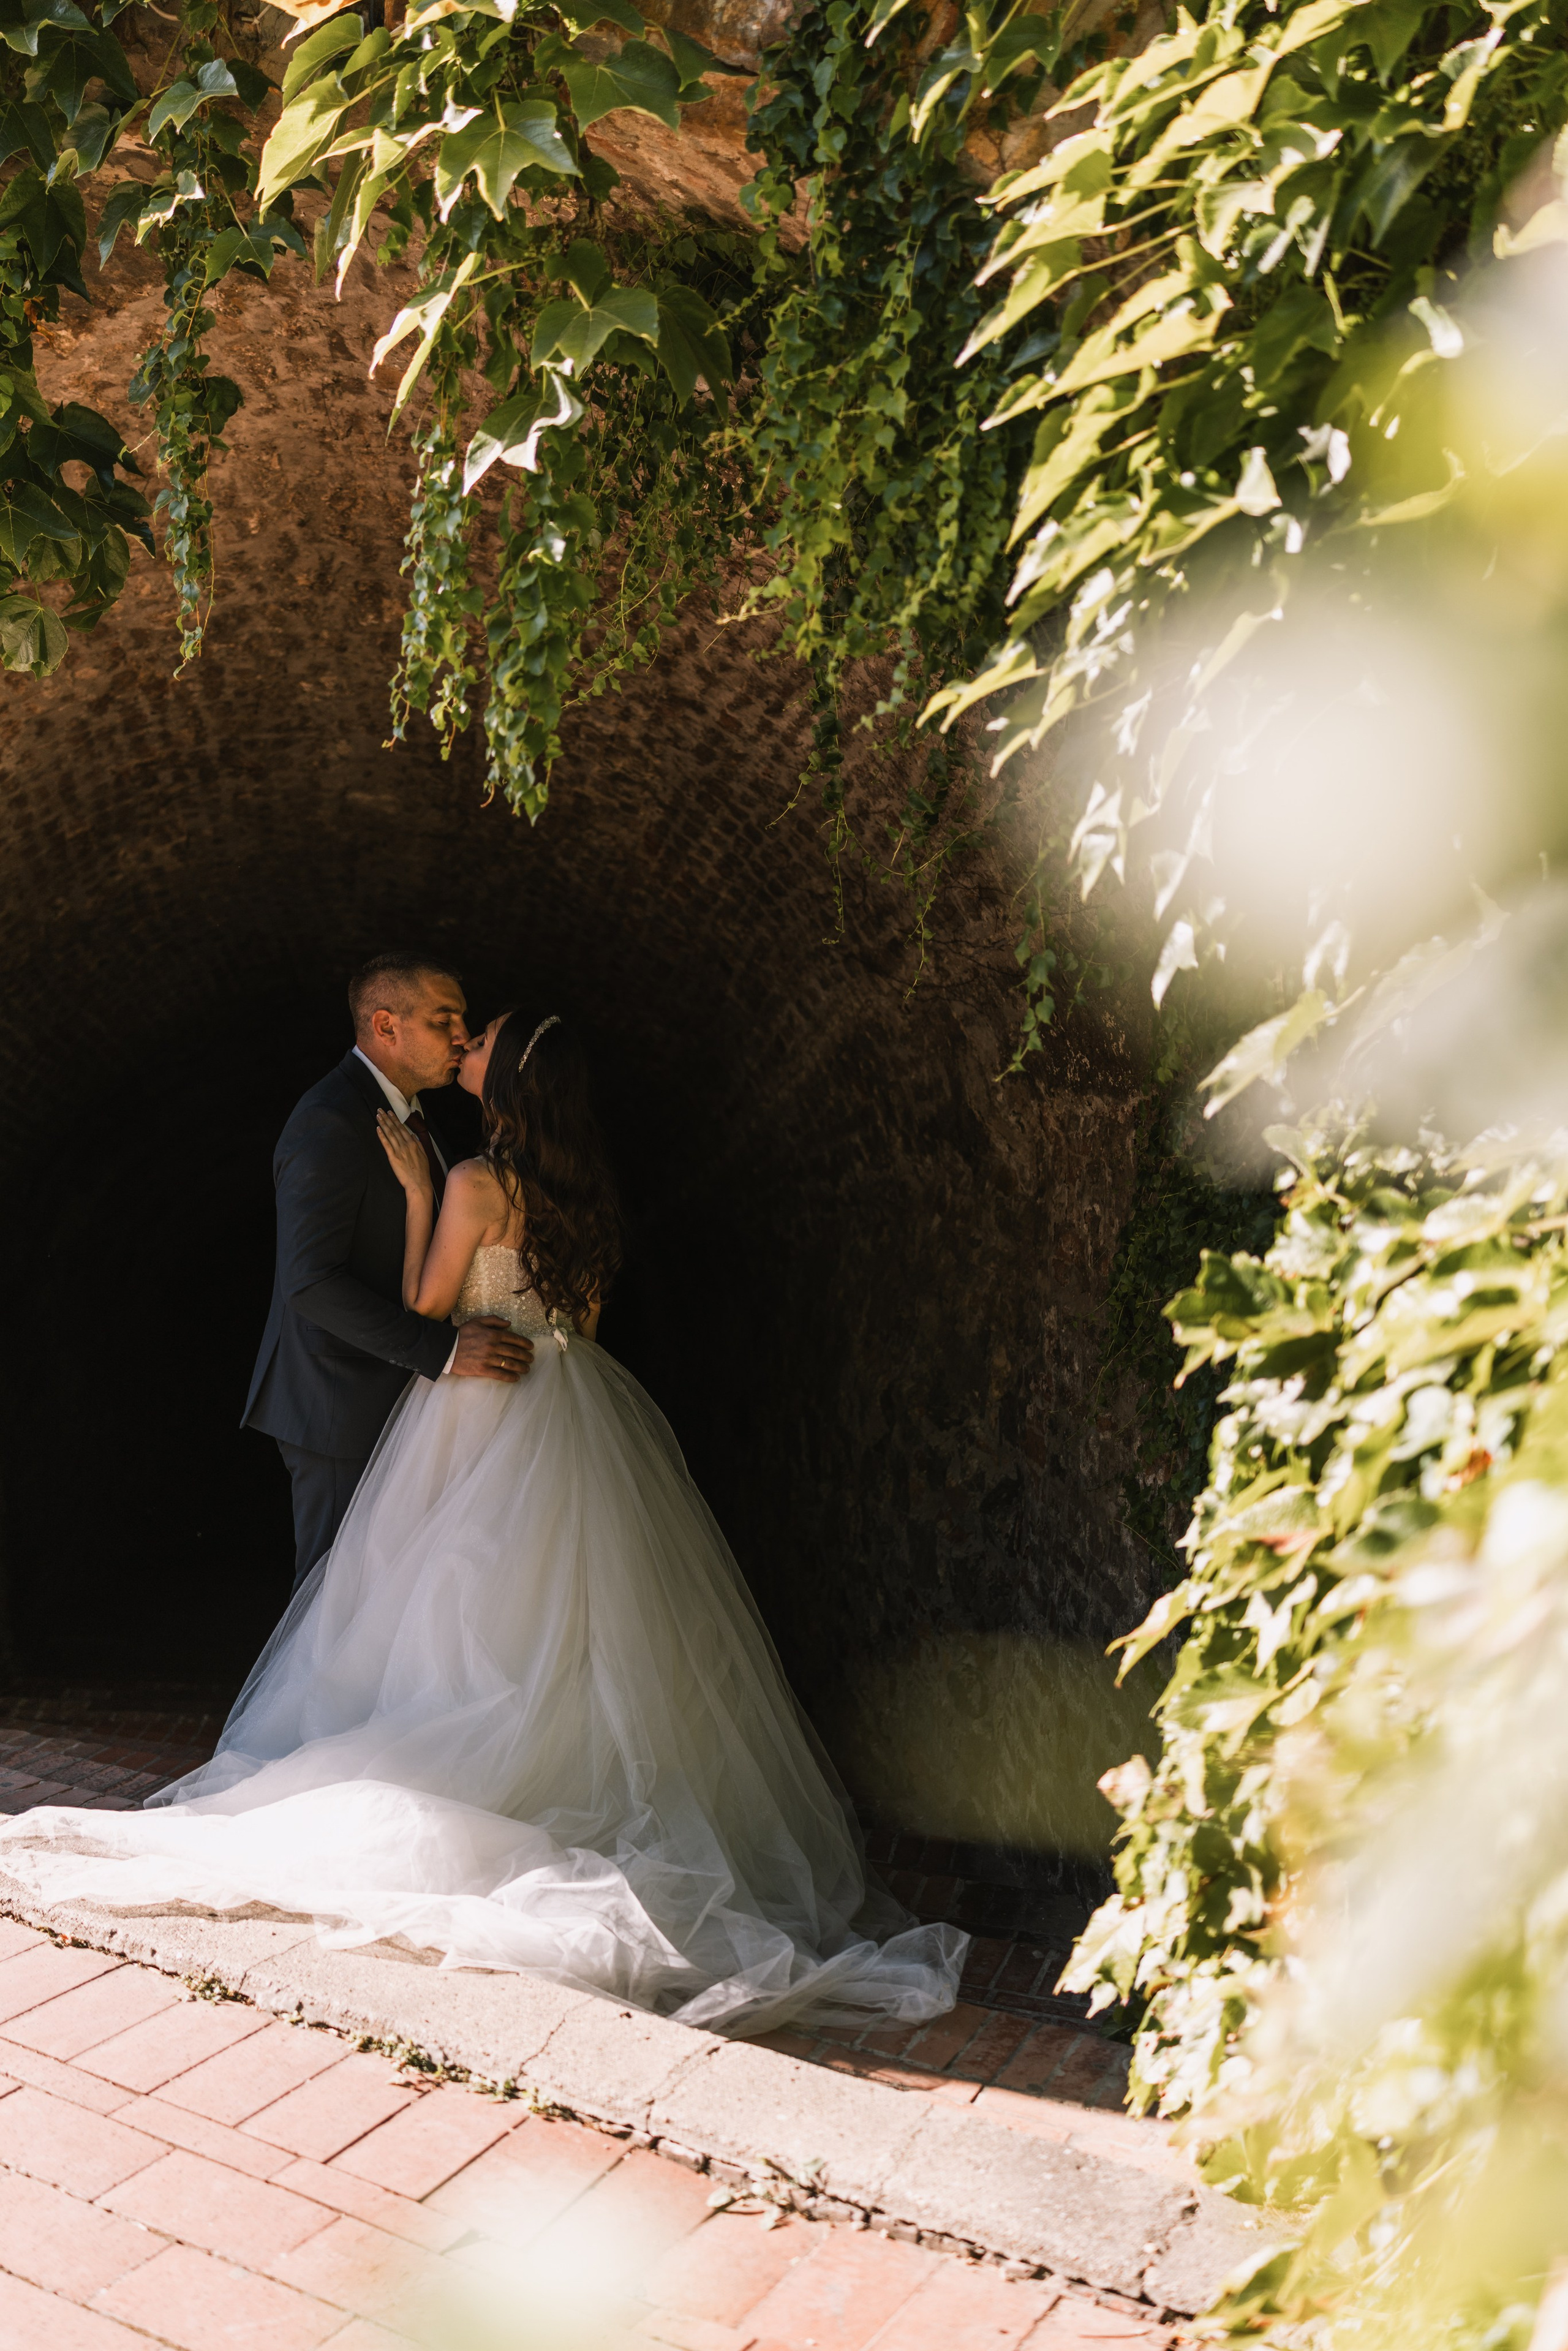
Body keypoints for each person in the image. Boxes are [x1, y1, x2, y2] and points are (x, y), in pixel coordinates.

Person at [0, 1011, 966, 2034]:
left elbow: (427, 1305)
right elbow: (580, 1324)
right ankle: (576, 1771)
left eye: (482, 1040)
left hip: (482, 1399)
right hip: (579, 1404)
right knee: (579, 1616)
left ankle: (479, 1773)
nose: (465, 1045)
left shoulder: (474, 1181)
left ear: (506, 1081)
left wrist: (421, 1197)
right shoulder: (590, 1192)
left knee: (453, 1597)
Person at [243, 951, 533, 1594]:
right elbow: (310, 1282)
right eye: (444, 1019)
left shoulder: (416, 1118)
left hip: (400, 1404)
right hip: (338, 1405)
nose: (462, 1034)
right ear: (385, 1025)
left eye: (463, 1020)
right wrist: (446, 1350)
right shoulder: (329, 1121)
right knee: (331, 1605)